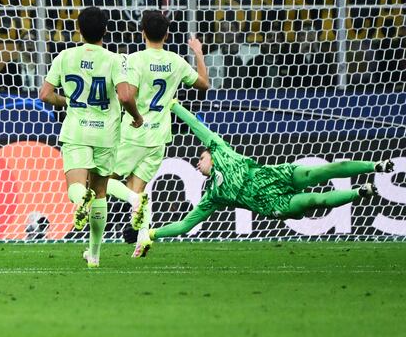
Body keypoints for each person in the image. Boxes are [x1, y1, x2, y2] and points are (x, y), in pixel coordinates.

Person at [134, 100, 394, 255]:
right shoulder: (213, 195)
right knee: (316, 200)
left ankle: (377, 165)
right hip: (272, 205)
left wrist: (173, 105)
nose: (197, 163)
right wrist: (151, 234)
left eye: (199, 158)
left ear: (209, 155)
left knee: (322, 171)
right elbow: (185, 226)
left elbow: (195, 125)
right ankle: (359, 192)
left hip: (276, 175)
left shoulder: (220, 149)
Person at [38, 6, 142, 269]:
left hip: (76, 131)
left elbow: (45, 95)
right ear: (105, 31)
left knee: (75, 185)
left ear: (79, 30)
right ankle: (94, 255)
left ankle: (78, 198)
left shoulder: (65, 56)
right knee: (100, 193)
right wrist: (136, 117)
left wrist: (65, 101)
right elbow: (126, 95)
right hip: (106, 134)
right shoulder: (115, 60)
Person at [104, 10, 209, 254]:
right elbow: (203, 84)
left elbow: (126, 96)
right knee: (136, 187)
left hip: (134, 133)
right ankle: (143, 240)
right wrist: (198, 53)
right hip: (159, 138)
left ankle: (136, 207)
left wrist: (135, 116)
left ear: (142, 32)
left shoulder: (135, 60)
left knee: (101, 180)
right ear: (167, 34)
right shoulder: (176, 61)